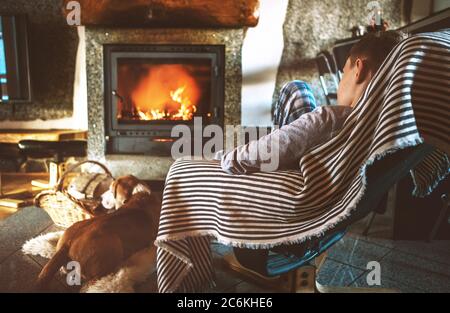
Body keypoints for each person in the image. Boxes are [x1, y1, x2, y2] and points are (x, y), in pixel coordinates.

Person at [217, 30, 407, 174]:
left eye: (343, 73)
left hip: (296, 194)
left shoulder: (331, 120)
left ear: (359, 69)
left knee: (296, 89)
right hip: (332, 184)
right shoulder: (394, 128)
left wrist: (221, 159)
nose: (341, 82)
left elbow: (254, 156)